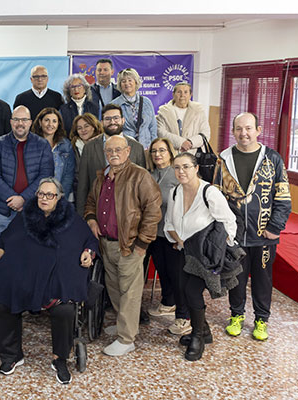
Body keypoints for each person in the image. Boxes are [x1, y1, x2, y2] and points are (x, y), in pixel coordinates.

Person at [0, 178, 98, 385]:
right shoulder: (26, 216)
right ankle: (12, 355)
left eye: (50, 195)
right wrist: (0, 247)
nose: (44, 198)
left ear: (59, 197)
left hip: (56, 280)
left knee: (64, 310)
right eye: (41, 194)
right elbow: (6, 237)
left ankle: (60, 359)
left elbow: (89, 240)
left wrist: (88, 252)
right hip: (26, 276)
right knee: (1, 300)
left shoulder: (71, 218)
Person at [214, 112, 291, 341]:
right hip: (235, 233)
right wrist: (222, 229)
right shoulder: (224, 159)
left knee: (263, 277)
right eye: (238, 128)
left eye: (248, 128)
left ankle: (261, 319)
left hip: (264, 233)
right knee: (235, 276)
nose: (243, 133)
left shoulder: (272, 158)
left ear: (258, 130)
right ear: (233, 131)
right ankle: (236, 315)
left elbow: (283, 197)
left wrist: (275, 227)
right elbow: (215, 196)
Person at [84, 135, 161, 356]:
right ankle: (122, 324)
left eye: (118, 149)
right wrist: (91, 219)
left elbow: (153, 211)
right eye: (109, 151)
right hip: (106, 244)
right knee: (115, 287)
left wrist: (142, 243)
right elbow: (90, 201)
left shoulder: (140, 176)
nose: (114, 154)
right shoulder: (102, 177)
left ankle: (127, 339)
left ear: (128, 151)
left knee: (130, 291)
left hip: (129, 245)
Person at [164, 152, 238, 361]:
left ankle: (197, 336)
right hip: (183, 250)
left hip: (204, 255)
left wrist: (218, 248)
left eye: (186, 166)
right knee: (183, 290)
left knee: (191, 291)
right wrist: (180, 242)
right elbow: (169, 223)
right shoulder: (175, 193)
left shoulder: (210, 192)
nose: (181, 171)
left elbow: (229, 222)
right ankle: (203, 330)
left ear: (196, 168)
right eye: (177, 167)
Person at [0, 106, 55, 235]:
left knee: (34, 252)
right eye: (16, 119)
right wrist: (12, 199)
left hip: (34, 209)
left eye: (24, 120)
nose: (20, 124)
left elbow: (46, 175)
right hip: (5, 210)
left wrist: (24, 198)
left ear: (30, 122)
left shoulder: (42, 144)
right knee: (5, 252)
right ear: (11, 122)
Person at [144, 138, 187, 335]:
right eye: (154, 151)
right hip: (155, 232)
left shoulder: (177, 174)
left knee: (177, 276)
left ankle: (183, 317)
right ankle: (168, 302)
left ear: (170, 152)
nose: (157, 154)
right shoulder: (150, 174)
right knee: (163, 270)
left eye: (162, 150)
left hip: (173, 234)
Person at [75, 104, 147, 216]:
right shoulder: (89, 147)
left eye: (116, 118)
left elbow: (143, 187)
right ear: (102, 122)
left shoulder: (137, 147)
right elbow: (83, 185)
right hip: (97, 211)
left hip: (128, 213)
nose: (112, 122)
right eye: (108, 119)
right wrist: (83, 216)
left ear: (123, 120)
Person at [32, 107, 75, 202]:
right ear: (40, 122)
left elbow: (68, 175)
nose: (50, 124)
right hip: (36, 197)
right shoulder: (31, 144)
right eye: (47, 120)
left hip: (60, 197)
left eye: (54, 121)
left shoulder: (66, 145)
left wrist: (60, 197)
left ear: (58, 124)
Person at [157, 82, 212, 154]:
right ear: (173, 94)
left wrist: (190, 142)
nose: (182, 95)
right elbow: (160, 132)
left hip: (193, 154)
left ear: (190, 95)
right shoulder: (163, 111)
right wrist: (181, 143)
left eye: (186, 92)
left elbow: (206, 133)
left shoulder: (198, 111)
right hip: (170, 154)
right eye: (179, 92)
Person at [110, 68, 157, 149]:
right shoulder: (114, 105)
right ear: (120, 84)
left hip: (146, 147)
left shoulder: (147, 102)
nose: (127, 83)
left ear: (136, 82)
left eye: (130, 80)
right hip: (125, 148)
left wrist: (154, 146)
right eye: (123, 81)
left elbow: (153, 127)